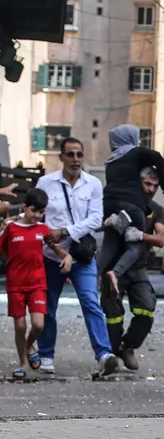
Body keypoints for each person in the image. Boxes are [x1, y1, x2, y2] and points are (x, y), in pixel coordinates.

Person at [35, 137, 119, 376]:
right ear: (61, 157)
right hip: (52, 256)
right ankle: (46, 355)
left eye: (79, 155)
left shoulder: (92, 184)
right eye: (70, 154)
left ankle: (104, 354)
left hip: (82, 256)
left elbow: (95, 219)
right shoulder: (46, 183)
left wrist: (64, 232)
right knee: (48, 307)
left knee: (91, 303)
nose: (75, 160)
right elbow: (39, 216)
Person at [0, 189, 73, 379]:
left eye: (41, 212)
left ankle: (27, 345)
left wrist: (68, 258)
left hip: (37, 284)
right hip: (15, 284)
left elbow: (59, 251)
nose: (37, 216)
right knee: (20, 326)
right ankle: (22, 363)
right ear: (25, 208)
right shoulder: (11, 229)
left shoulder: (42, 230)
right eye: (34, 211)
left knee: (38, 325)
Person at [100, 167, 164, 371]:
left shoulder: (156, 210)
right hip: (113, 268)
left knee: (146, 308)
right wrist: (107, 223)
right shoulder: (120, 203)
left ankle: (127, 346)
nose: (151, 189)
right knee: (113, 315)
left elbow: (161, 239)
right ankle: (111, 357)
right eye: (147, 184)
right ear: (138, 183)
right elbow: (96, 223)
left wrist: (141, 236)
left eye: (155, 186)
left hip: (138, 269)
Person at [97, 125, 164, 295]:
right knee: (135, 245)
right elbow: (157, 157)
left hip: (109, 205)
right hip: (131, 206)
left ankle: (92, 275)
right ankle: (115, 273)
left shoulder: (111, 161)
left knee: (110, 243)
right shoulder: (136, 153)